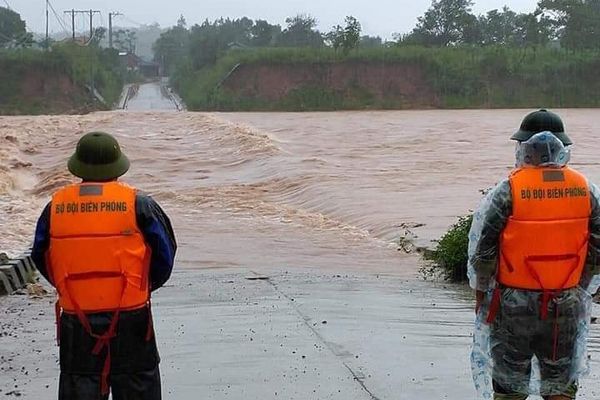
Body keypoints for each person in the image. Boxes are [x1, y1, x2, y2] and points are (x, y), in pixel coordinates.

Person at [31, 132, 177, 400]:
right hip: (132, 319)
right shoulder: (140, 204)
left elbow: (40, 255)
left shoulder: (55, 208)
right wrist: (142, 286)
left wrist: (69, 284)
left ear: (78, 168)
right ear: (118, 167)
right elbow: (165, 255)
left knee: (80, 387)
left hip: (77, 321)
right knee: (138, 387)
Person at [468, 109, 600, 400]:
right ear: (561, 148)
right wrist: (581, 288)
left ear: (525, 148)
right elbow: (598, 247)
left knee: (510, 383)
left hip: (513, 305)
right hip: (565, 303)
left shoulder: (508, 191)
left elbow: (484, 251)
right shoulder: (586, 190)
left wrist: (481, 296)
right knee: (561, 381)